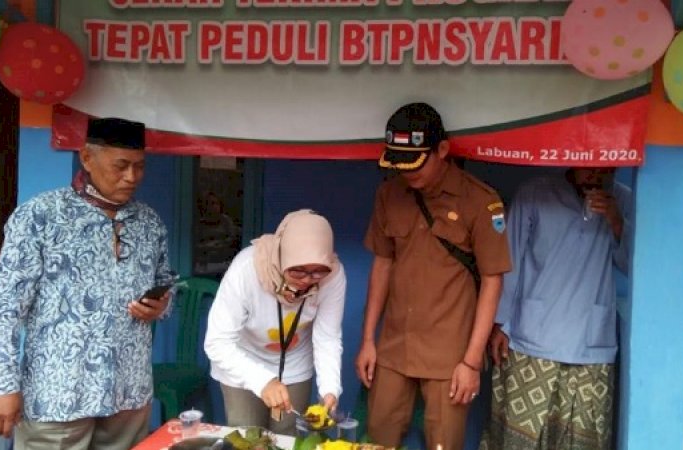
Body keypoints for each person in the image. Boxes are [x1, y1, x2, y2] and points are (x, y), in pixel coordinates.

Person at [0, 117, 177, 449]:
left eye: (139, 167)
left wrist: (160, 306)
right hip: (59, 393)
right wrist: (3, 386)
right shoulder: (40, 215)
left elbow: (167, 282)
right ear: (87, 158)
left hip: (128, 391)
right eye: (121, 166)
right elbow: (4, 308)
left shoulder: (149, 222)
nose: (131, 177)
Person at [355, 102, 511, 450]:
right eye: (399, 162)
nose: (407, 173)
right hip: (394, 347)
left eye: (416, 163)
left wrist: (471, 362)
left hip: (450, 355)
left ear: (442, 149)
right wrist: (368, 339)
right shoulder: (390, 194)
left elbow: (493, 281)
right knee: (377, 438)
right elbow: (382, 264)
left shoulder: (480, 202)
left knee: (443, 444)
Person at [479, 167, 632, 450]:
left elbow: (633, 264)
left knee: (583, 440)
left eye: (604, 168)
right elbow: (508, 260)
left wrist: (616, 221)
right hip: (532, 340)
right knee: (519, 438)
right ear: (574, 159)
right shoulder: (536, 193)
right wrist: (500, 323)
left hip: (591, 347)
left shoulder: (621, 200)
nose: (596, 175)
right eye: (590, 166)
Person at [204, 209, 345, 436]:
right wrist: (262, 381)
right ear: (282, 258)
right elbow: (217, 342)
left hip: (294, 364)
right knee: (247, 437)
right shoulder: (247, 268)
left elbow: (327, 337)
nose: (307, 281)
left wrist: (330, 389)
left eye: (317, 272)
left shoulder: (333, 275)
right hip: (241, 361)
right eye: (298, 272)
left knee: (287, 438)